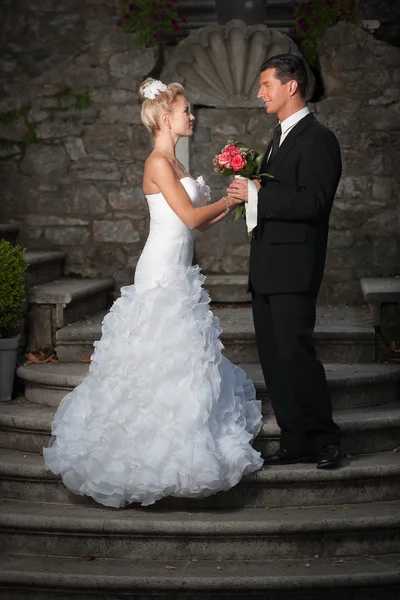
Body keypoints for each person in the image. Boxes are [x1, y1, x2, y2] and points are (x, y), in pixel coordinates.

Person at [43, 78, 263, 508]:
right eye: (186, 111)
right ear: (166, 118)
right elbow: (193, 218)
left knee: (183, 361)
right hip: (160, 273)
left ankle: (184, 446)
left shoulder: (176, 164)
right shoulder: (158, 163)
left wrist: (234, 204)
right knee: (154, 360)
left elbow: (194, 221)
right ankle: (139, 458)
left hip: (180, 270)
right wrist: (229, 199)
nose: (192, 116)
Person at [227, 54, 342, 469]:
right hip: (267, 268)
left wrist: (255, 194)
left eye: (266, 85)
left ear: (291, 86)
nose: (260, 93)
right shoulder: (278, 137)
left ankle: (326, 439)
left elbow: (314, 202)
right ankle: (296, 440)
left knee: (296, 353)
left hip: (294, 267)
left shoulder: (318, 138)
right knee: (274, 358)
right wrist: (252, 190)